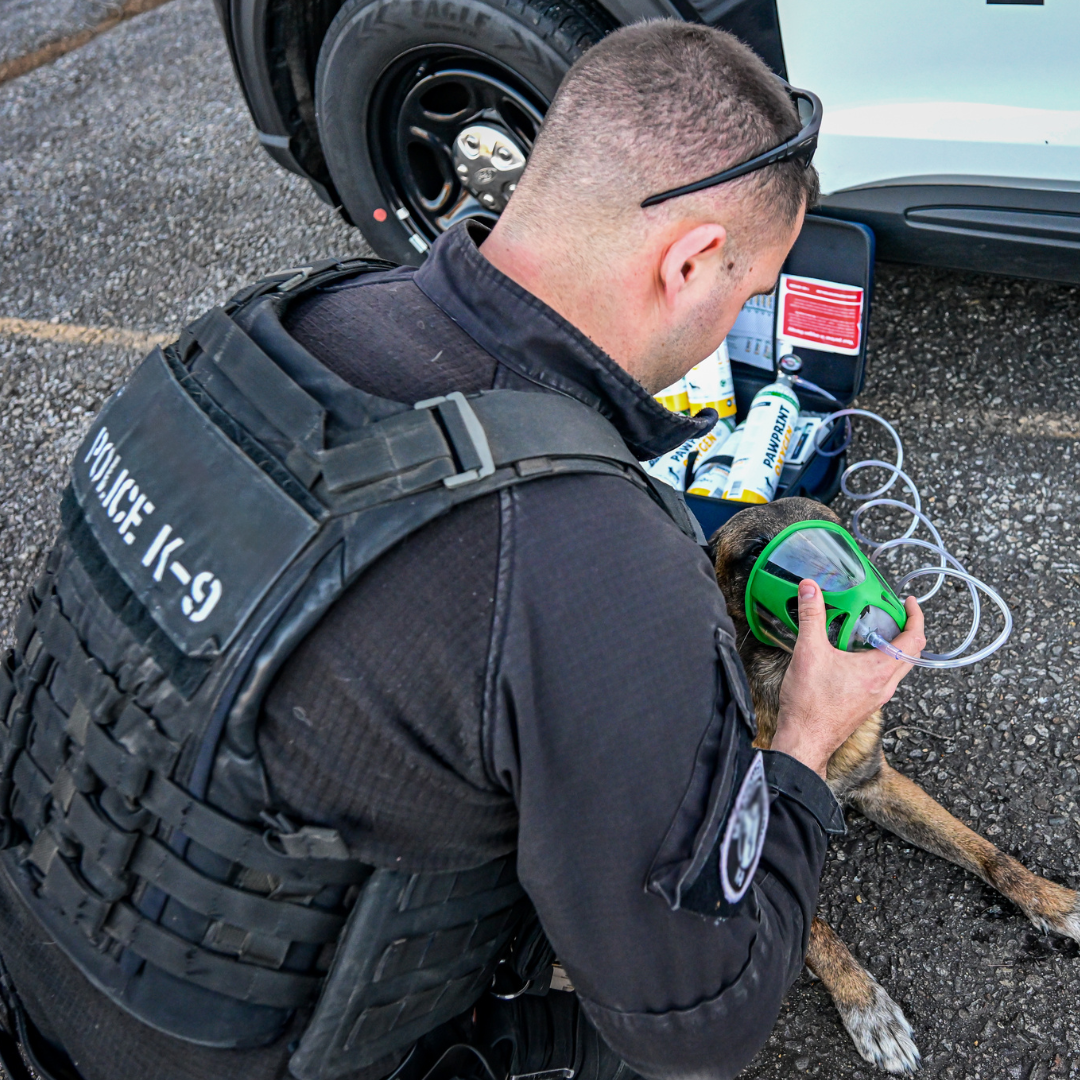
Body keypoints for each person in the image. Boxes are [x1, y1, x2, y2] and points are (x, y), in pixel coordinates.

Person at [0, 20, 925, 1080]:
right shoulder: (601, 563)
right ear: (691, 262)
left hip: (39, 966)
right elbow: (702, 1020)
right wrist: (802, 746)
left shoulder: (244, 343)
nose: (733, 326)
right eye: (749, 292)